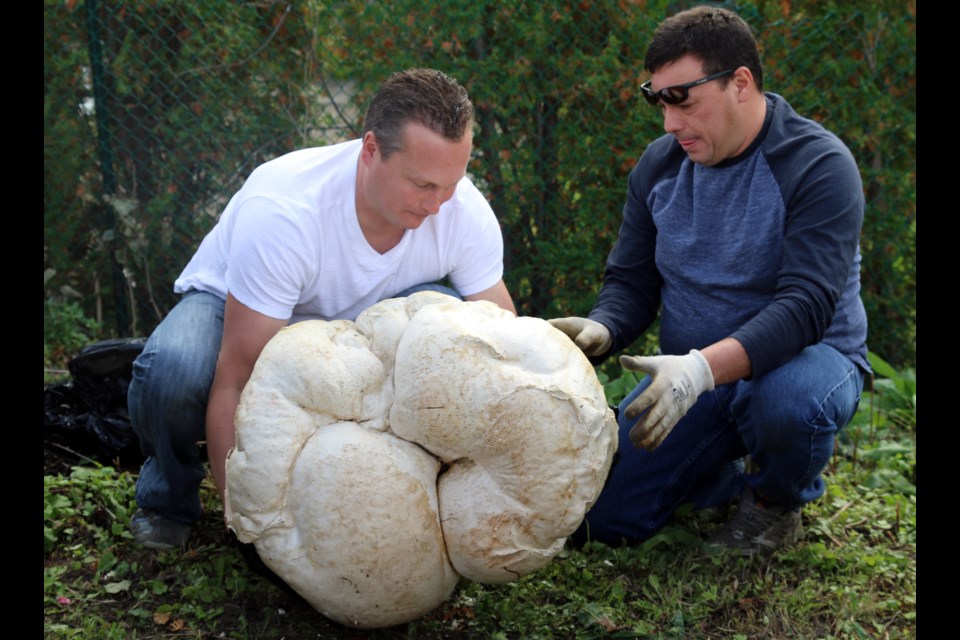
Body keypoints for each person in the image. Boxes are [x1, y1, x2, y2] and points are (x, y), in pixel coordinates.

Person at [128, 68, 516, 550]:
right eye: (422, 185)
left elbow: (504, 343)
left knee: (466, 331)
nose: (438, 205)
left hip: (361, 327)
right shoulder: (285, 210)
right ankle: (168, 497)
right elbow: (237, 377)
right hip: (241, 310)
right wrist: (246, 528)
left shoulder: (462, 211)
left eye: (451, 184)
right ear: (370, 149)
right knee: (174, 372)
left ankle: (413, 505)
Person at [550, 6, 869, 557]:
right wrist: (604, 327)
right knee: (602, 523)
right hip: (689, 382)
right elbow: (631, 280)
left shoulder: (817, 165)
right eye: (660, 100)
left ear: (739, 83)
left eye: (684, 100)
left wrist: (700, 370)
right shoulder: (660, 166)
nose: (670, 123)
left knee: (788, 403)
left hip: (802, 364)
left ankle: (773, 503)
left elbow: (806, 306)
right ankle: (717, 474)